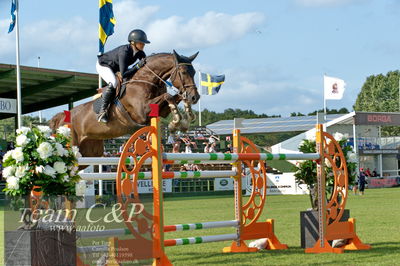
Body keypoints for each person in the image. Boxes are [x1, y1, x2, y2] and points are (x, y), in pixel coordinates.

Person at [96, 29, 150, 123]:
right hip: (104, 65)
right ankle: (102, 111)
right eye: (141, 43)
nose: (143, 45)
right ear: (133, 43)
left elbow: (145, 65)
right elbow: (124, 73)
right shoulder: (124, 52)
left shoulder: (140, 52)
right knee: (113, 82)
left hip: (116, 68)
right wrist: (137, 66)